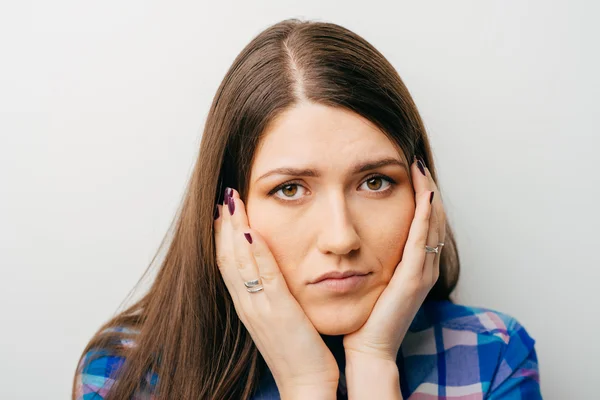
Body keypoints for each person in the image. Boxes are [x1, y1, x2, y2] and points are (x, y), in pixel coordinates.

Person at [72, 18, 541, 400]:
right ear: (227, 210)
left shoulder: (491, 354)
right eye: (291, 189)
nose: (341, 238)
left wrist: (375, 366)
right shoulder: (126, 375)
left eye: (375, 182)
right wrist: (306, 386)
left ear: (423, 196)